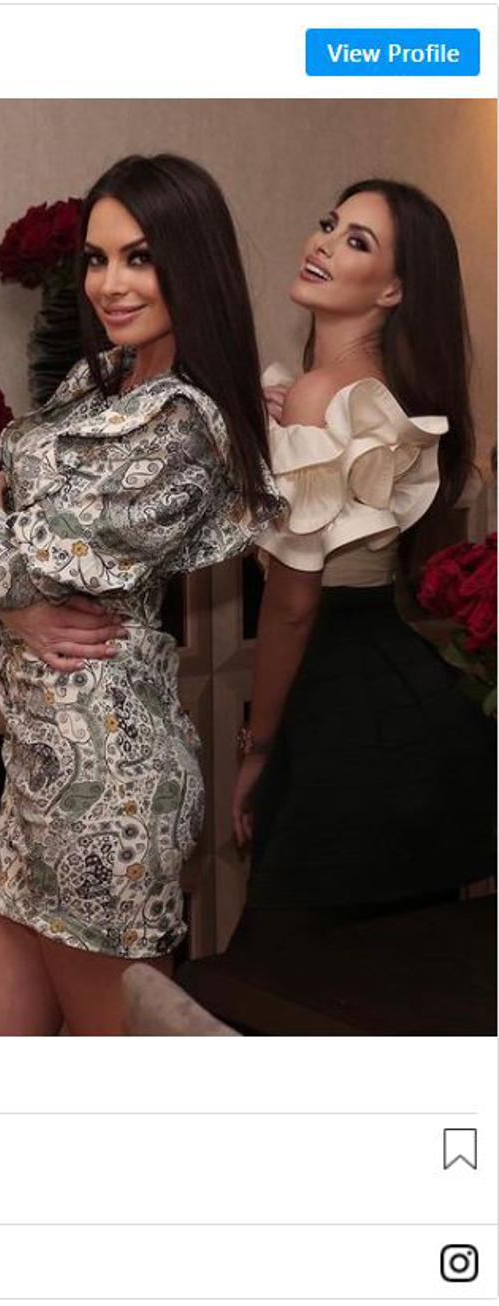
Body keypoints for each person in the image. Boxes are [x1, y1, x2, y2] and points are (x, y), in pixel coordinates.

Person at [0, 154, 281, 1035]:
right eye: (96, 259)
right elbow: (23, 573)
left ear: (192, 262)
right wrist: (14, 598)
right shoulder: (96, 381)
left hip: (108, 787)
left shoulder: (186, 424)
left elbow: (30, 562)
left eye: (140, 257)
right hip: (37, 767)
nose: (111, 283)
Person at [220, 180, 495, 971]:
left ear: (395, 289)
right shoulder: (377, 395)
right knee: (393, 982)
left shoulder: (318, 396)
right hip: (406, 693)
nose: (324, 243)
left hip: (342, 709)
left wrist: (259, 747)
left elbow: (294, 604)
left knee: (278, 983)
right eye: (330, 225)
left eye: (357, 242)